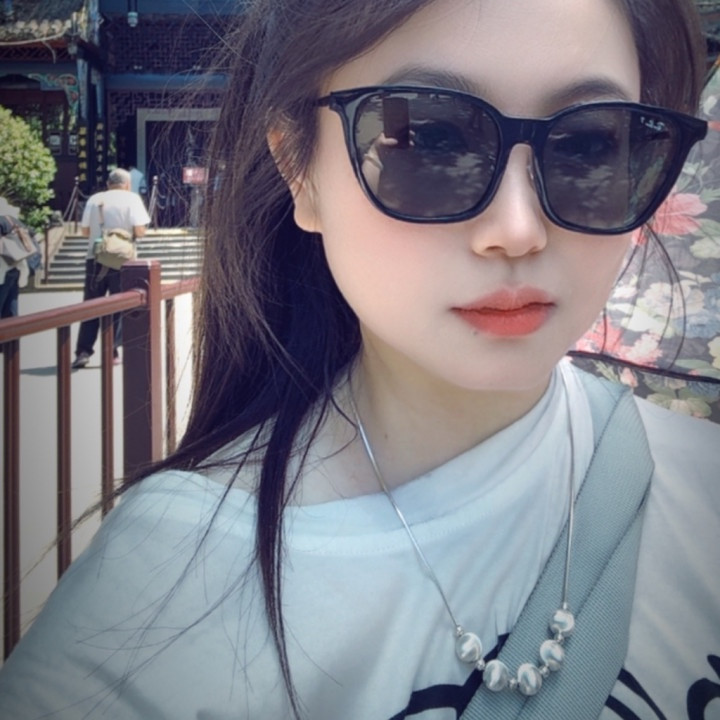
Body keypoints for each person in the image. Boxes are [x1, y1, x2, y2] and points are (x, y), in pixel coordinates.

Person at [0, 1, 718, 718]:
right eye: (429, 139)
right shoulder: (160, 605)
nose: (517, 229)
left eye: (590, 145)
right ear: (299, 169)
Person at [71, 168, 150, 368]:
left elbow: (85, 232)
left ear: (108, 184)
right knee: (119, 305)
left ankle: (83, 352)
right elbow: (140, 231)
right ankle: (112, 351)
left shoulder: (94, 200)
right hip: (122, 260)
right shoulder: (133, 199)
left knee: (91, 304)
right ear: (127, 184)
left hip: (95, 258)